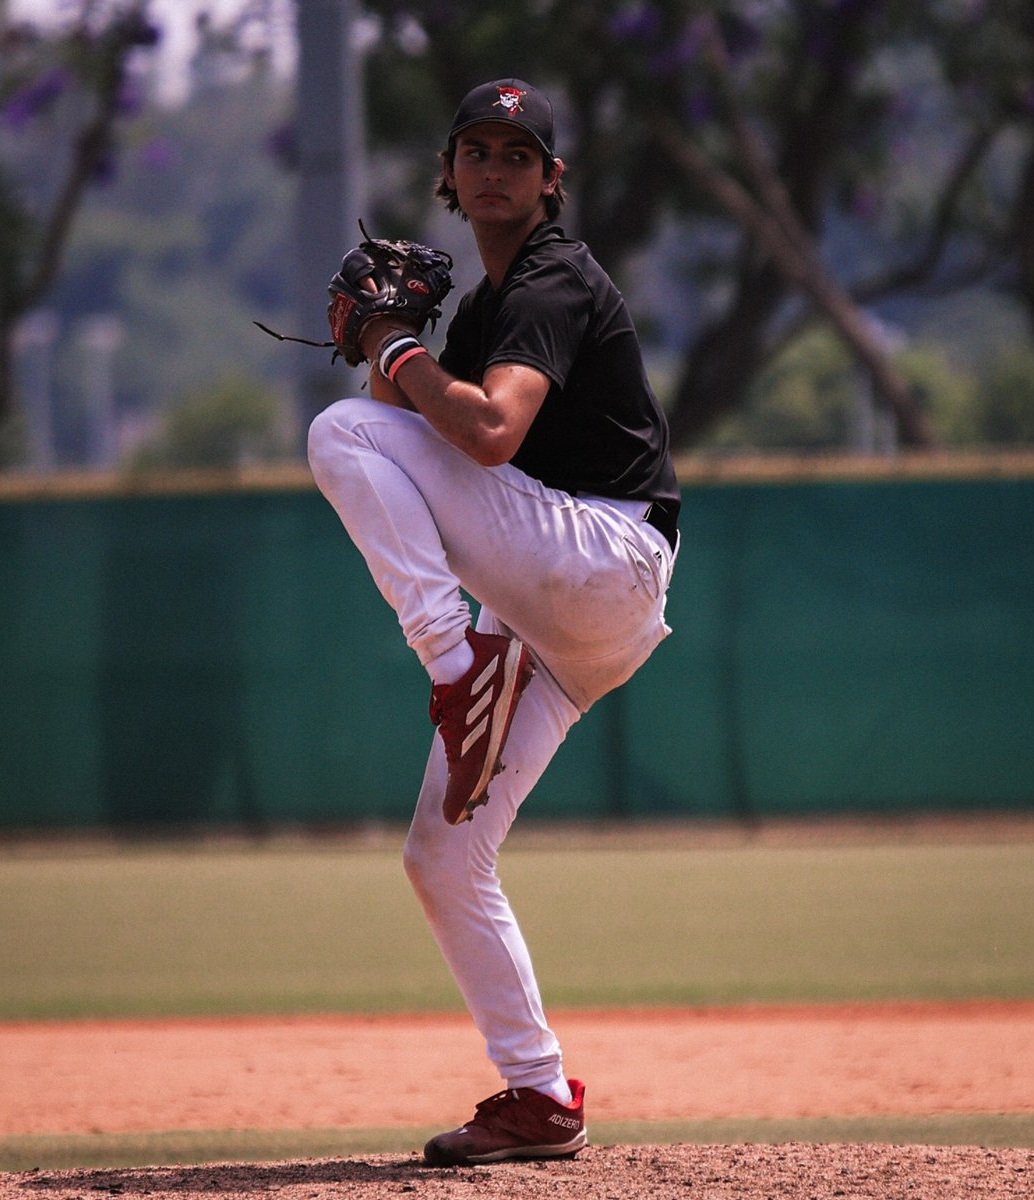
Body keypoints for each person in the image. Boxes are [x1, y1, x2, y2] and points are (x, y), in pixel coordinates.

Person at [306, 78, 680, 1166]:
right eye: (478, 149)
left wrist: (392, 351)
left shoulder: (554, 277)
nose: (497, 168)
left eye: (520, 153)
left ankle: (451, 658)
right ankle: (537, 1093)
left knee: (335, 432)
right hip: (566, 620)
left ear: (552, 179)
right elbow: (405, 434)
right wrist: (391, 350)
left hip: (598, 559)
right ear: (450, 173)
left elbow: (487, 433)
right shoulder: (485, 304)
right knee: (442, 855)